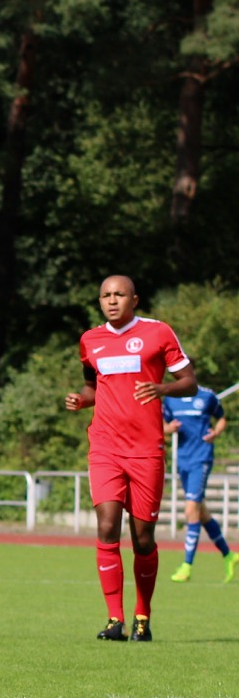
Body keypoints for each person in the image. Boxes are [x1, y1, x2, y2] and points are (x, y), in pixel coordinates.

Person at [65, 274, 197, 643]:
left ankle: (142, 615)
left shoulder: (158, 333)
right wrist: (81, 400)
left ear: (134, 299)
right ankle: (114, 619)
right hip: (105, 446)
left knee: (142, 539)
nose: (111, 300)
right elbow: (93, 387)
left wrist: (162, 388)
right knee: (107, 526)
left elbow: (190, 382)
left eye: (119, 294)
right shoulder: (90, 340)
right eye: (105, 295)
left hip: (146, 450)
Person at [163, 387, 237, 583]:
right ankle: (229, 555)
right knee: (201, 512)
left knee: (190, 510)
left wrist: (216, 432)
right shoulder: (171, 398)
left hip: (201, 459)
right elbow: (161, 425)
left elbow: (221, 418)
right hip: (182, 460)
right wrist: (169, 429)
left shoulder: (207, 396)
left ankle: (187, 566)